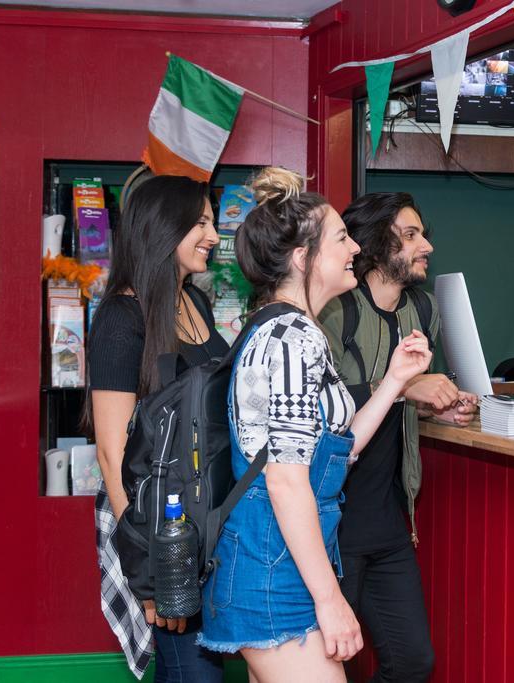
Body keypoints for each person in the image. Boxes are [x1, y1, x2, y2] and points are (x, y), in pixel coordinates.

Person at [196, 168, 432, 683]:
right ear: (304, 258)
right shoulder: (289, 339)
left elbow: (333, 453)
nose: (354, 248)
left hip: (285, 560)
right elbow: (284, 479)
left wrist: (394, 380)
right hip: (272, 567)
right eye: (341, 238)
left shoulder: (296, 330)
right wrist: (331, 602)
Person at [318, 192, 478, 682]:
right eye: (410, 235)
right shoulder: (334, 312)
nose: (425, 245)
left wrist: (442, 411)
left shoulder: (424, 311)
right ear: (373, 245)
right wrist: (409, 388)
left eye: (421, 233)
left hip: (390, 518)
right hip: (333, 523)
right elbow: (323, 409)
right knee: (324, 662)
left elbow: (403, 409)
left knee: (412, 662)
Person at [87, 174, 227, 681]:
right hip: (156, 528)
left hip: (204, 523)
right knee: (193, 669)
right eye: (201, 222)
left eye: (212, 221)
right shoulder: (122, 318)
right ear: (163, 229)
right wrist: (148, 563)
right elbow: (110, 453)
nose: (213, 235)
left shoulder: (198, 303)